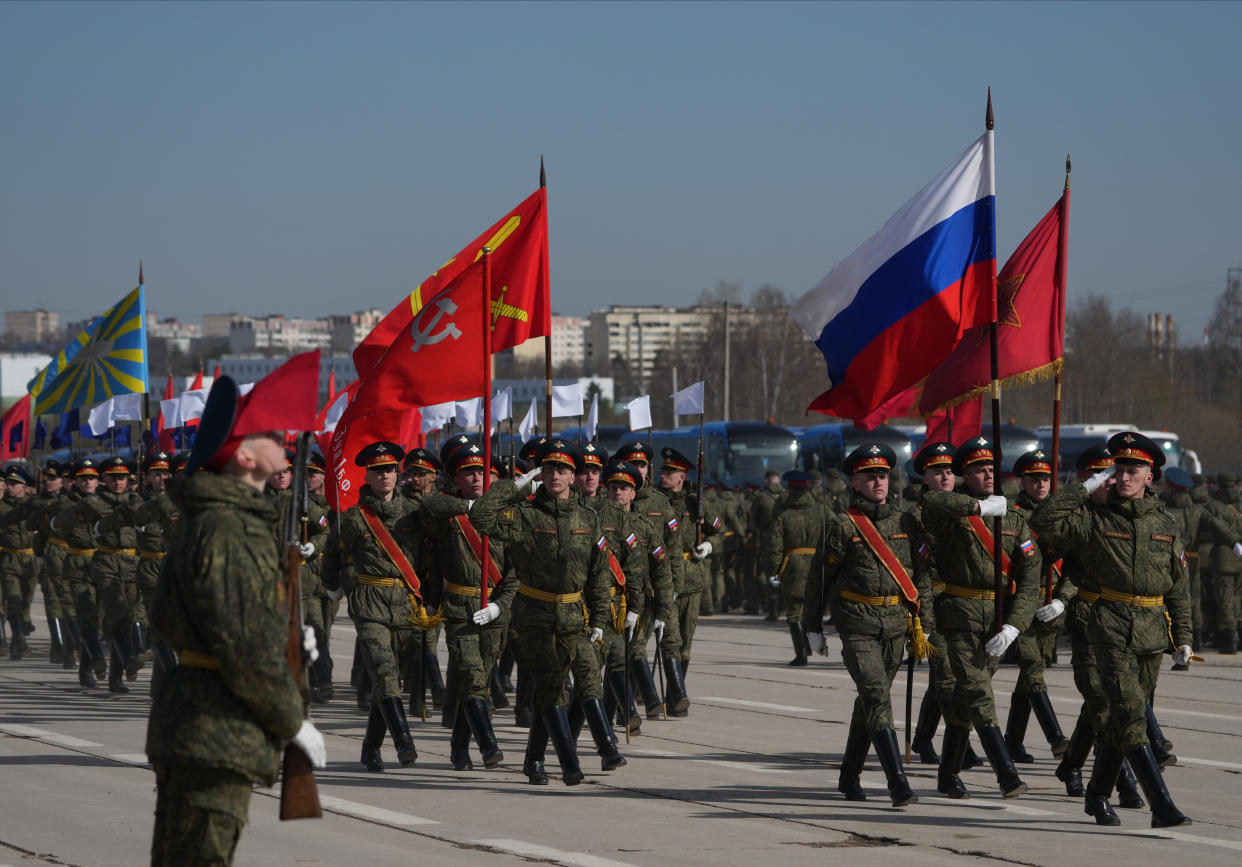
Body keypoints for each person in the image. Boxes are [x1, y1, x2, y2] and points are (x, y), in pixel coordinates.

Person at [146, 375, 325, 866]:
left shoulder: (218, 521)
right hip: (215, 730)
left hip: (203, 727)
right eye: (267, 435)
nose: (281, 440)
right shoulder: (227, 528)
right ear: (244, 458)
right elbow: (242, 647)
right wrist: (292, 722)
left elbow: (186, 616)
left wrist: (284, 634)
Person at [1032, 432, 1196, 828]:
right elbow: (1044, 520)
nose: (1123, 477)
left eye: (1132, 470)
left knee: (1121, 720)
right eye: (1117, 469)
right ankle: (1162, 805)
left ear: (1150, 476)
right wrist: (1086, 486)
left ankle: (1097, 795)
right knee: (1129, 713)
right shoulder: (1093, 518)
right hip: (1109, 628)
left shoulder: (1166, 523)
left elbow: (1178, 587)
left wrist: (1185, 637)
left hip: (1152, 634)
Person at [469, 439, 612, 785]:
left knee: (574, 687)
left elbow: (599, 574)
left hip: (574, 619)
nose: (554, 476)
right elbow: (479, 515)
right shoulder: (526, 515)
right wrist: (517, 485)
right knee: (550, 687)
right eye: (547, 469)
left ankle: (534, 759)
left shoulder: (588, 519)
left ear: (574, 476)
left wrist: (600, 621)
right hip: (534, 618)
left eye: (561, 470)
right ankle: (569, 763)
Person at [805, 444, 931, 806]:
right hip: (858, 623)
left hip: (895, 624)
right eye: (870, 476)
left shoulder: (906, 522)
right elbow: (821, 577)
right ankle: (898, 782)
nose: (878, 481)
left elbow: (921, 575)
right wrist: (812, 626)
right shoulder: (842, 525)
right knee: (876, 696)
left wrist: (921, 622)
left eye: (883, 475)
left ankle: (848, 776)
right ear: (854, 482)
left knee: (869, 703)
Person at [921, 436, 1040, 799]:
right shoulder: (951, 512)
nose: (988, 474)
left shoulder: (1015, 519)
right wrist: (979, 507)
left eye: (991, 469)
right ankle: (1006, 773)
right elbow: (933, 500)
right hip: (958, 614)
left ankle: (947, 774)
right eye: (978, 470)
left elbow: (1031, 577)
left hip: (997, 618)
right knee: (978, 691)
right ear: (965, 476)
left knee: (963, 700)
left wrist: (1014, 624)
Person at [322, 441, 426, 771]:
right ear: (366, 475)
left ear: (398, 474)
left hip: (405, 605)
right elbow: (334, 557)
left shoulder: (415, 513)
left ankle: (369, 748)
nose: (385, 476)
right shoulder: (352, 518)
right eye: (378, 471)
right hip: (369, 605)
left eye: (390, 470)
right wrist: (333, 588)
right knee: (383, 672)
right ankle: (404, 741)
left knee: (390, 680)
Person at [416, 443, 516, 771]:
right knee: (473, 678)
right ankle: (488, 745)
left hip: (494, 606)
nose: (477, 477)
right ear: (455, 478)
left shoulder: (508, 512)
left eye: (482, 471)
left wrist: (501, 607)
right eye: (468, 472)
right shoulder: (448, 514)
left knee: (480, 678)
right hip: (460, 606)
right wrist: (470, 505)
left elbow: (516, 572)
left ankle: (459, 746)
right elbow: (428, 506)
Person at [1004, 450, 1072, 762]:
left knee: (1030, 676)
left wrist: (1061, 597)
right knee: (1032, 669)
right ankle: (1056, 736)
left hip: (1051, 605)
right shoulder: (1011, 514)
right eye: (1034, 479)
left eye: (1046, 478)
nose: (1041, 484)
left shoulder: (1062, 514)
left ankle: (1013, 741)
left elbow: (1075, 562)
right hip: (1022, 602)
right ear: (1022, 481)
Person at [614, 440, 686, 719]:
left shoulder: (660, 502)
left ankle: (670, 695)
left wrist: (674, 589)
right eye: (633, 465)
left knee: (665, 639)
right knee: (631, 646)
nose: (639, 470)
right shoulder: (613, 499)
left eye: (642, 465)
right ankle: (635, 702)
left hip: (655, 586)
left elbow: (673, 548)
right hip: (622, 588)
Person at [657, 447, 723, 697]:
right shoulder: (655, 501)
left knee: (685, 642)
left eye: (670, 471)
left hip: (693, 580)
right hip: (666, 579)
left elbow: (719, 532)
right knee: (670, 639)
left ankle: (675, 691)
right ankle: (676, 695)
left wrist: (708, 546)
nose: (664, 475)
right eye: (663, 470)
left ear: (682, 476)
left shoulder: (696, 502)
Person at [765, 469, 823, 666]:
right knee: (811, 607)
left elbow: (775, 547)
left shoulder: (783, 514)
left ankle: (801, 654)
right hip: (817, 565)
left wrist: (775, 571)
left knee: (793, 611)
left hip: (793, 566)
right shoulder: (821, 511)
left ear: (789, 489)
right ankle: (809, 645)